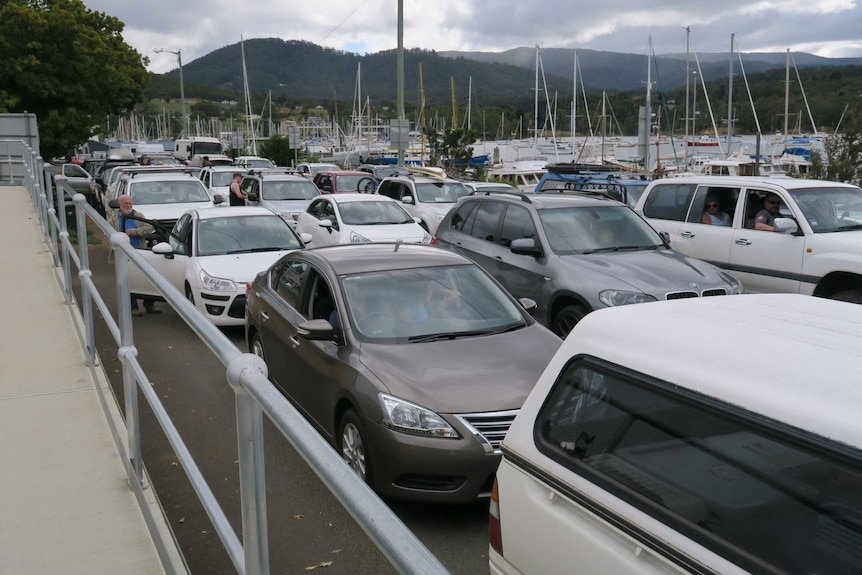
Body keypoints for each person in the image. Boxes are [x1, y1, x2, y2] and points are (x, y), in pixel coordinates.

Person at [109, 194, 160, 316]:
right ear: (120, 205)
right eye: (125, 203)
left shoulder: (139, 216)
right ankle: (133, 307)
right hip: (123, 254)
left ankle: (149, 305)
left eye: (129, 203)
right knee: (128, 280)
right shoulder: (114, 219)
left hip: (139, 252)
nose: (128, 205)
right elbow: (108, 232)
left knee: (146, 278)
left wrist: (134, 232)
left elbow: (148, 227)